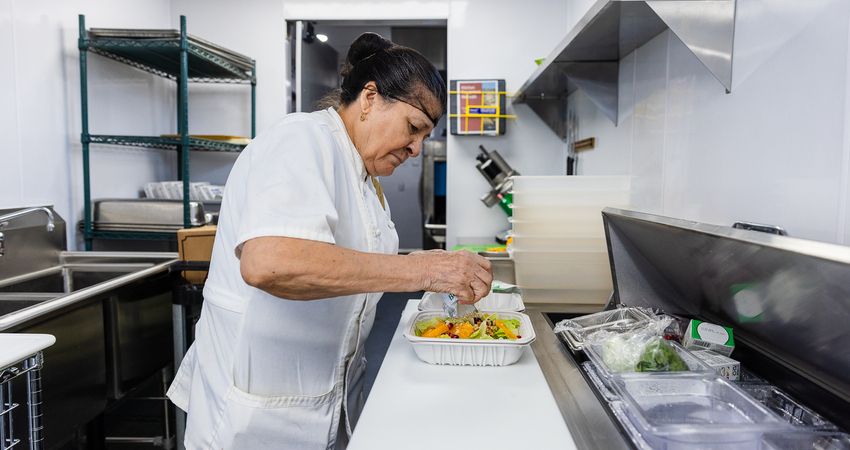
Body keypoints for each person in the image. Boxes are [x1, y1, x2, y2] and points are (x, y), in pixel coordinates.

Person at [167, 33, 493, 449]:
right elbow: (269, 263)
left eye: (425, 136)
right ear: (371, 97)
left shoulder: (365, 179)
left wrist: (424, 264)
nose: (416, 148)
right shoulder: (302, 137)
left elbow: (349, 265)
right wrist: (423, 269)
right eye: (414, 128)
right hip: (256, 421)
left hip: (326, 405)